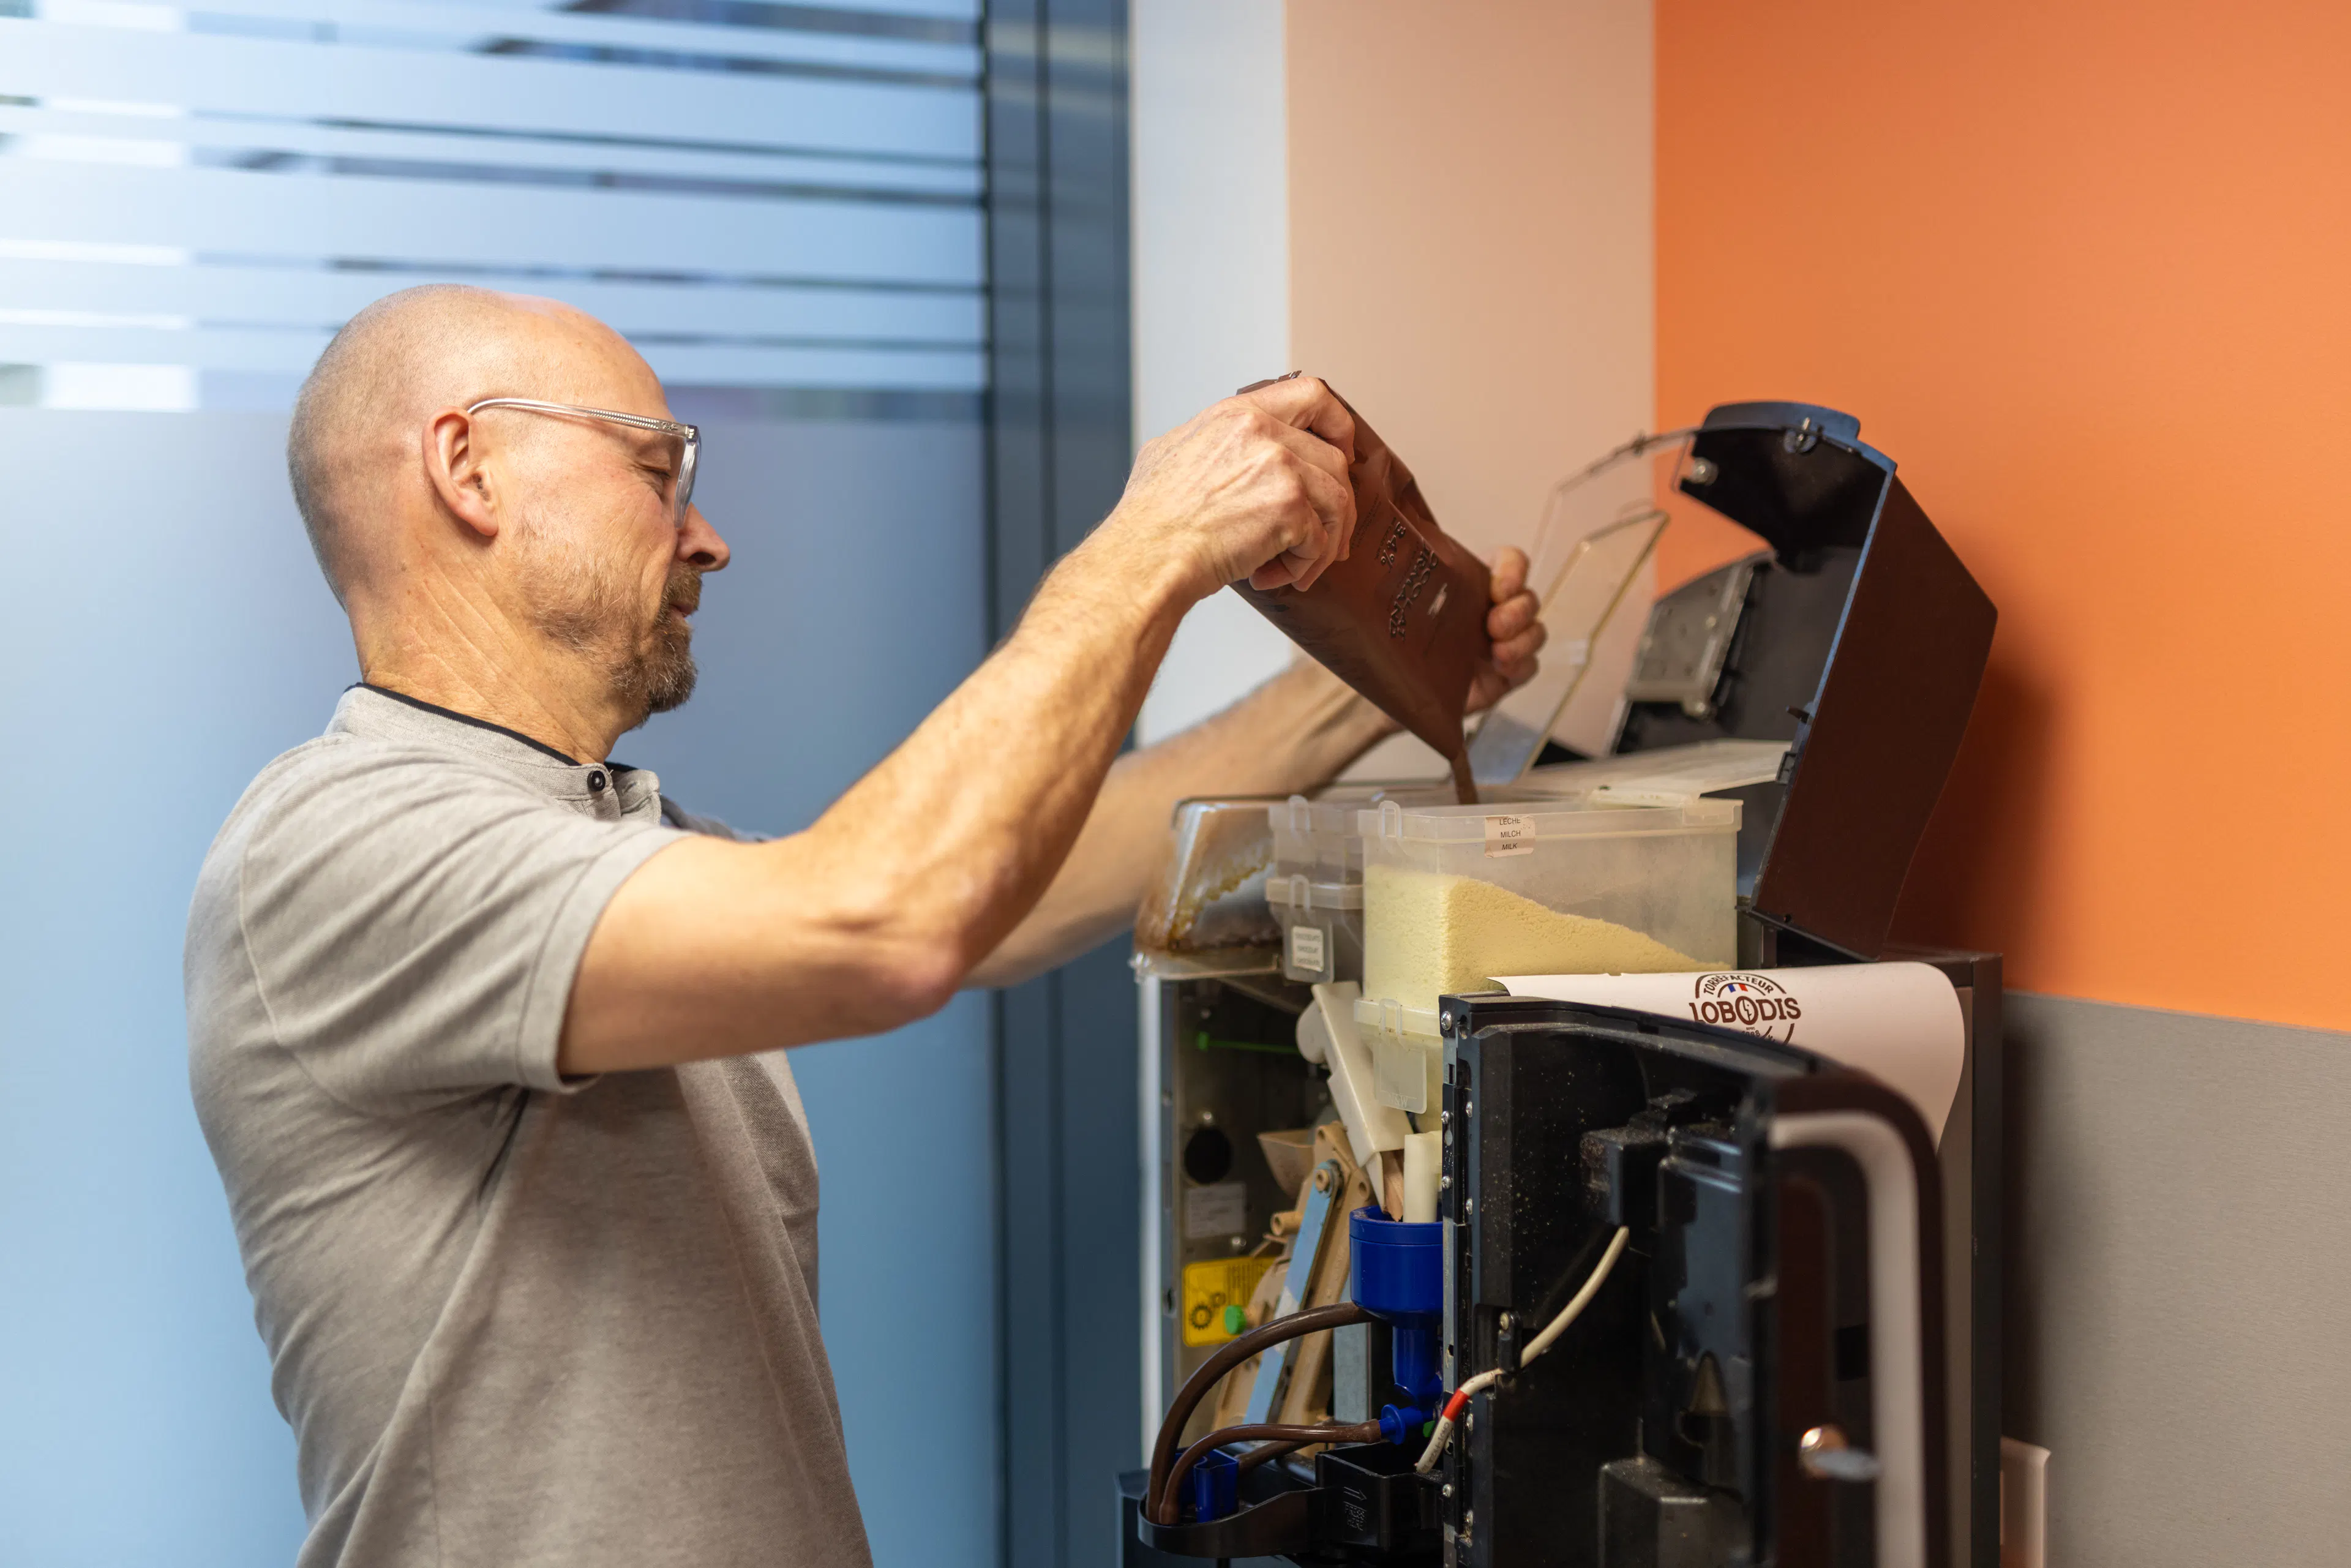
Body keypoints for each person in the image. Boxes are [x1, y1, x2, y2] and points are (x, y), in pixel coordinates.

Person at [185, 284, 1544, 1568]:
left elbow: (1019, 881)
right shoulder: (343, 840)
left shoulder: (601, 837)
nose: (706, 534)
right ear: (466, 468)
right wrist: (1152, 546)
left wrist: (1391, 684)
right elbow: (893, 917)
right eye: (659, 473)